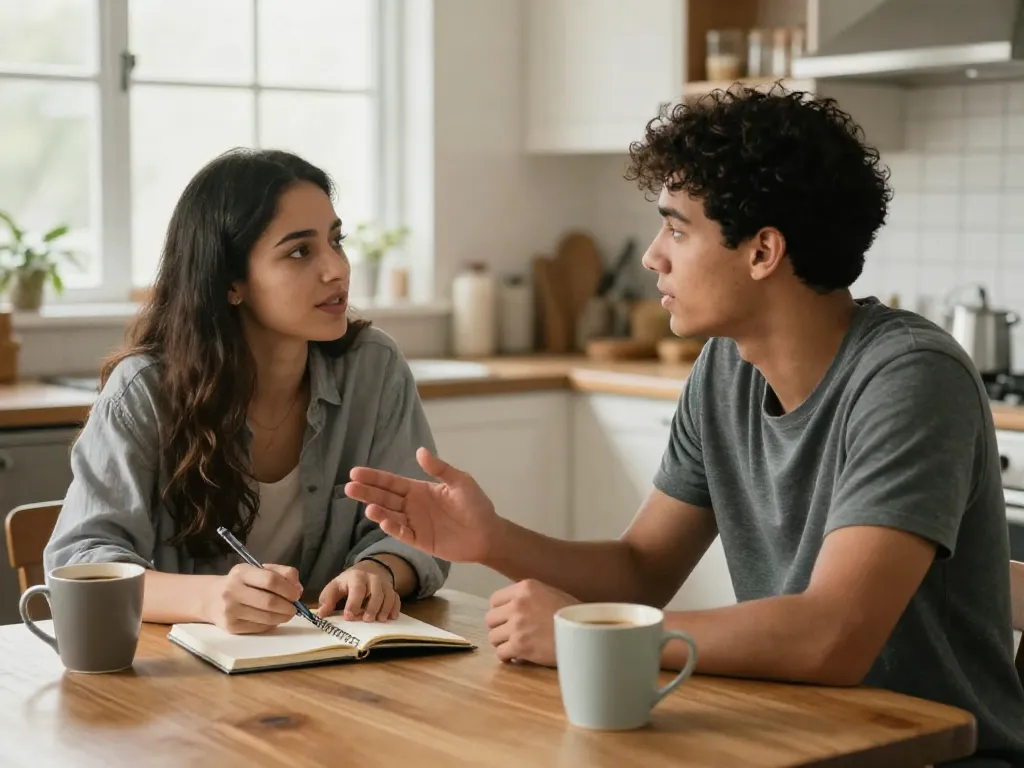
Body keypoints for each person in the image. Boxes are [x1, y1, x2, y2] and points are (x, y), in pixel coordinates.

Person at [344, 86, 1024, 764]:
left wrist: (590, 637)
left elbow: (832, 636)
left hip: (937, 754)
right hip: (797, 736)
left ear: (762, 252)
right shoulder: (726, 368)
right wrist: (489, 538)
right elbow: (640, 572)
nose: (651, 257)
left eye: (676, 228)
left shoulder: (908, 377)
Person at [45, 148, 449, 635]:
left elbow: (419, 530)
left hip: (335, 668)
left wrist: (379, 571)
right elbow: (82, 561)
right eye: (300, 251)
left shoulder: (374, 369)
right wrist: (209, 599)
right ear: (231, 281)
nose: (336, 269)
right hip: (180, 684)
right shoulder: (144, 390)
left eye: (335, 241)